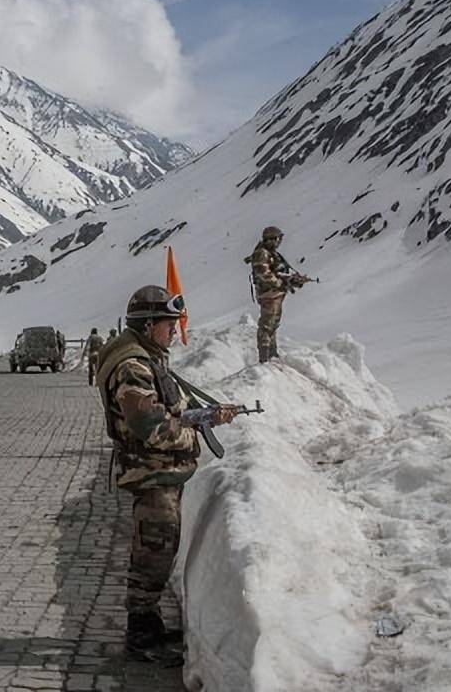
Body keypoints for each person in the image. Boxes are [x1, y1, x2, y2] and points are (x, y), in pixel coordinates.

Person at [95, 285, 239, 665]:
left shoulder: (148, 359)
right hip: (151, 473)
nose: (174, 331)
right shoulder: (134, 366)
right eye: (167, 324)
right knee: (152, 552)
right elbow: (151, 426)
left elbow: (171, 407)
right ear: (148, 324)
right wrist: (193, 430)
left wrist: (205, 413)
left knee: (157, 548)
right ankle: (140, 634)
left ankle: (149, 623)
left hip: (159, 473)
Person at [249, 226, 309, 364]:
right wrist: (280, 283)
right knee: (267, 325)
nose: (279, 242)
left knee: (273, 324)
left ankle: (272, 353)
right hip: (268, 294)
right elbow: (264, 273)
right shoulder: (262, 253)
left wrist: (292, 279)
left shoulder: (271, 254)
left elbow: (277, 271)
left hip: (274, 294)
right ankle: (264, 357)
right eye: (278, 239)